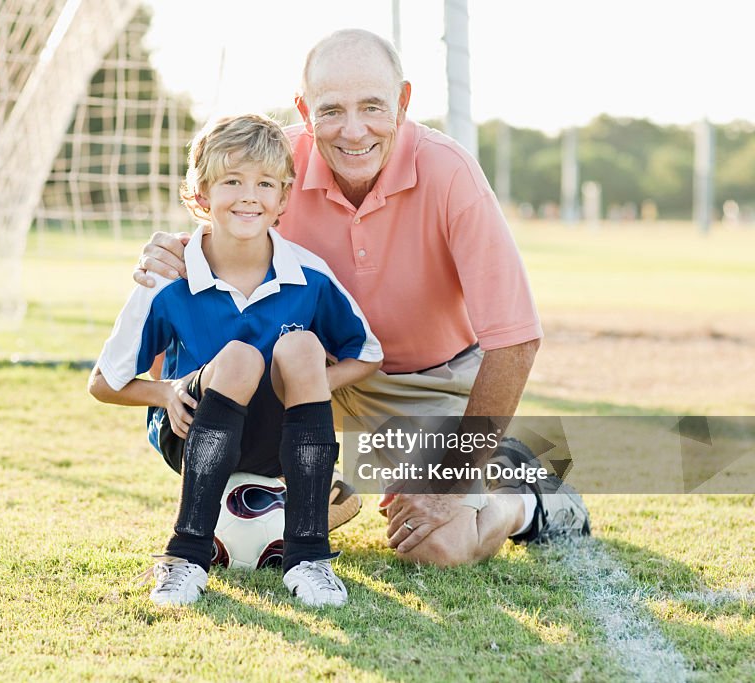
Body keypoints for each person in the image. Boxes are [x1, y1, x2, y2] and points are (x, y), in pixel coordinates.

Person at [134, 29, 590, 568]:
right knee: (245, 519)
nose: (354, 131)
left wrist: (455, 477)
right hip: (304, 378)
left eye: (372, 107)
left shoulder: (450, 172)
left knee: (438, 546)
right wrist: (173, 253)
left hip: (420, 382)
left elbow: (515, 340)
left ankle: (522, 489)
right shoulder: (271, 166)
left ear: (403, 101)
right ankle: (331, 486)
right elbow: (218, 243)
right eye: (331, 111)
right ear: (305, 110)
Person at [88, 114, 383, 606]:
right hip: (192, 428)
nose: (250, 195)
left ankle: (309, 556)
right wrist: (165, 391)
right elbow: (102, 382)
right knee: (241, 359)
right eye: (232, 181)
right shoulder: (168, 277)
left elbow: (367, 355)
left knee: (303, 347)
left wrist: (304, 387)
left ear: (283, 198)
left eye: (265, 183)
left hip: (279, 439)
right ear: (200, 194)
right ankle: (185, 555)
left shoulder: (309, 274)